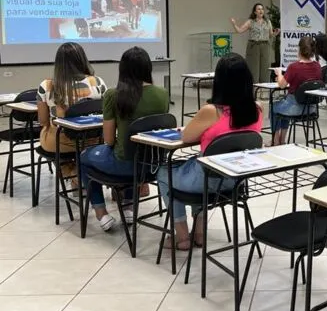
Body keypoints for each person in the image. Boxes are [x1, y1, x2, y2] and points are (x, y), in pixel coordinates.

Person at [157, 53, 262, 249]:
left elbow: (186, 137)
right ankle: (199, 233)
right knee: (201, 165)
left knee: (165, 172)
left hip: (208, 181)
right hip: (237, 182)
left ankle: (181, 236)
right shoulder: (257, 109)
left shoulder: (211, 111)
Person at [79, 47, 169, 231]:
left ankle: (101, 212)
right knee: (133, 150)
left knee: (84, 157)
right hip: (153, 165)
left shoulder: (113, 94)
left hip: (124, 165)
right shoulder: (162, 93)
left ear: (123, 69)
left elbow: (109, 140)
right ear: (148, 68)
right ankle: (128, 207)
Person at [37, 42, 108, 181]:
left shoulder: (47, 86)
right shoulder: (98, 82)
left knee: (46, 131)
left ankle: (70, 171)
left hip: (59, 144)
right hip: (93, 141)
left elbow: (43, 121)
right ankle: (77, 174)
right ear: (82, 59)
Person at [270, 36, 322, 146]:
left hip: (294, 107)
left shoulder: (294, 67)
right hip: (311, 108)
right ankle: (282, 140)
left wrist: (279, 74)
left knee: (274, 108)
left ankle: (275, 140)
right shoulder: (317, 66)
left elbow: (282, 85)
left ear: (299, 49)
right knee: (283, 106)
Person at [230, 3, 279, 84]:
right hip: (254, 46)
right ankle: (253, 92)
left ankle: (264, 92)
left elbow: (270, 35)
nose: (261, 11)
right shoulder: (250, 22)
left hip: (265, 46)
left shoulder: (268, 22)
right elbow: (239, 31)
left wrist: (275, 33)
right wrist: (234, 24)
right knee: (253, 69)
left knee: (265, 69)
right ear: (255, 12)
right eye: (259, 9)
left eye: (262, 9)